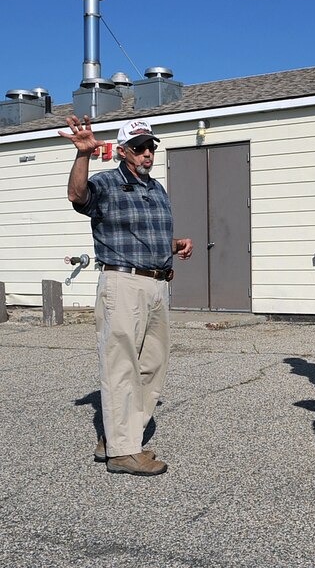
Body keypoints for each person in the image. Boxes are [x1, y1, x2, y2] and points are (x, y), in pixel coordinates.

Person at [60, 116, 192, 476]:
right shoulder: (106, 183)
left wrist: (174, 244)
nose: (147, 153)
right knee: (121, 366)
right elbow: (77, 196)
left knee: (152, 366)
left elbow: (144, 235)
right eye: (139, 148)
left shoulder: (156, 189)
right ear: (122, 151)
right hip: (122, 283)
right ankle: (122, 451)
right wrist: (84, 155)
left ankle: (119, 437)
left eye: (151, 147)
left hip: (157, 284)